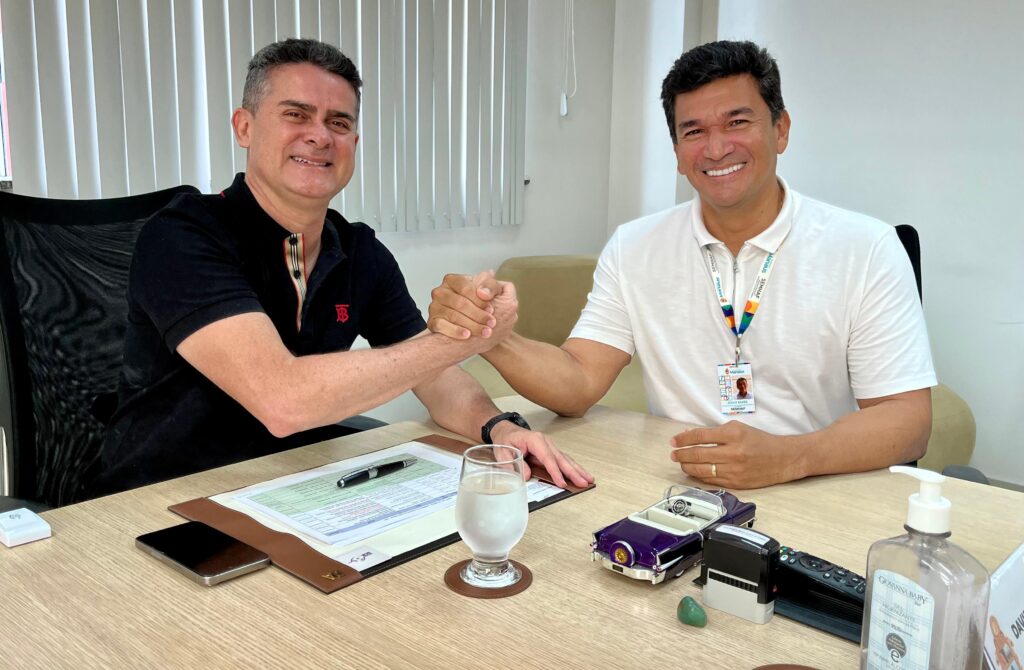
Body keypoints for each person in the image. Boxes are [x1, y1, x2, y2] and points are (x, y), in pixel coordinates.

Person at [91, 38, 591, 497]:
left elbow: (436, 379)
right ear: (245, 126)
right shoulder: (183, 234)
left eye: (339, 122)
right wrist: (461, 339)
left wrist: (501, 429)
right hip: (158, 496)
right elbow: (284, 401)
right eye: (296, 114)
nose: (320, 136)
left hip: (291, 487)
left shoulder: (359, 250)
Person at [426, 40, 935, 489]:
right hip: (681, 487)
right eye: (693, 131)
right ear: (676, 150)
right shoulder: (635, 246)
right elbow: (578, 383)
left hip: (821, 483)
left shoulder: (866, 246)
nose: (716, 148)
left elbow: (907, 418)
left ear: (780, 129)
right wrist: (493, 336)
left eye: (738, 122)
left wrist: (791, 457)